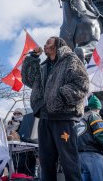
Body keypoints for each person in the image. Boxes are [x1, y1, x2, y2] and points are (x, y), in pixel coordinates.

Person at [21, 36, 89, 181]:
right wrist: (32, 59)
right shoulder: (44, 66)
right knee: (46, 162)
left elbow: (81, 84)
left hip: (63, 116)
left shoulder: (70, 59)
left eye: (48, 43)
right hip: (45, 117)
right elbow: (29, 80)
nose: (45, 45)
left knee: (69, 161)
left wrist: (60, 97)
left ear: (58, 45)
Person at [77, 95, 103, 181]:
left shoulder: (81, 117)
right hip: (92, 153)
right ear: (97, 108)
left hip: (79, 155)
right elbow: (99, 134)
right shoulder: (94, 115)